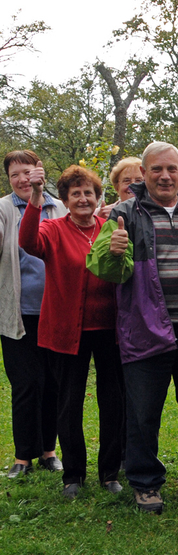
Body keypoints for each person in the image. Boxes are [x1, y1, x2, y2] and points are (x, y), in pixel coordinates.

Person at [87, 141, 178, 514]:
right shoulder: (123, 212)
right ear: (145, 173)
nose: (165, 176)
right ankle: (146, 482)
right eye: (157, 170)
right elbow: (103, 268)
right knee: (143, 411)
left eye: (172, 169)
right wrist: (113, 250)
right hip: (145, 328)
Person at [19, 163, 123, 498]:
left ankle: (110, 472)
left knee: (112, 402)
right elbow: (28, 242)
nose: (82, 199)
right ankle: (74, 476)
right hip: (66, 332)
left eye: (88, 193)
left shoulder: (109, 228)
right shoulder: (52, 229)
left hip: (110, 329)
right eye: (75, 194)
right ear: (64, 199)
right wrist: (36, 194)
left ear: (97, 197)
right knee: (69, 403)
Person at [1, 150, 63, 479]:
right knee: (25, 384)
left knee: (52, 383)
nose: (23, 179)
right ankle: (23, 456)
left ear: (39, 171)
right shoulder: (3, 208)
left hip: (55, 312)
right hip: (18, 313)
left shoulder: (58, 206)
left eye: (27, 172)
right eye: (15, 175)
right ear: (9, 180)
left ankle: (48, 452)